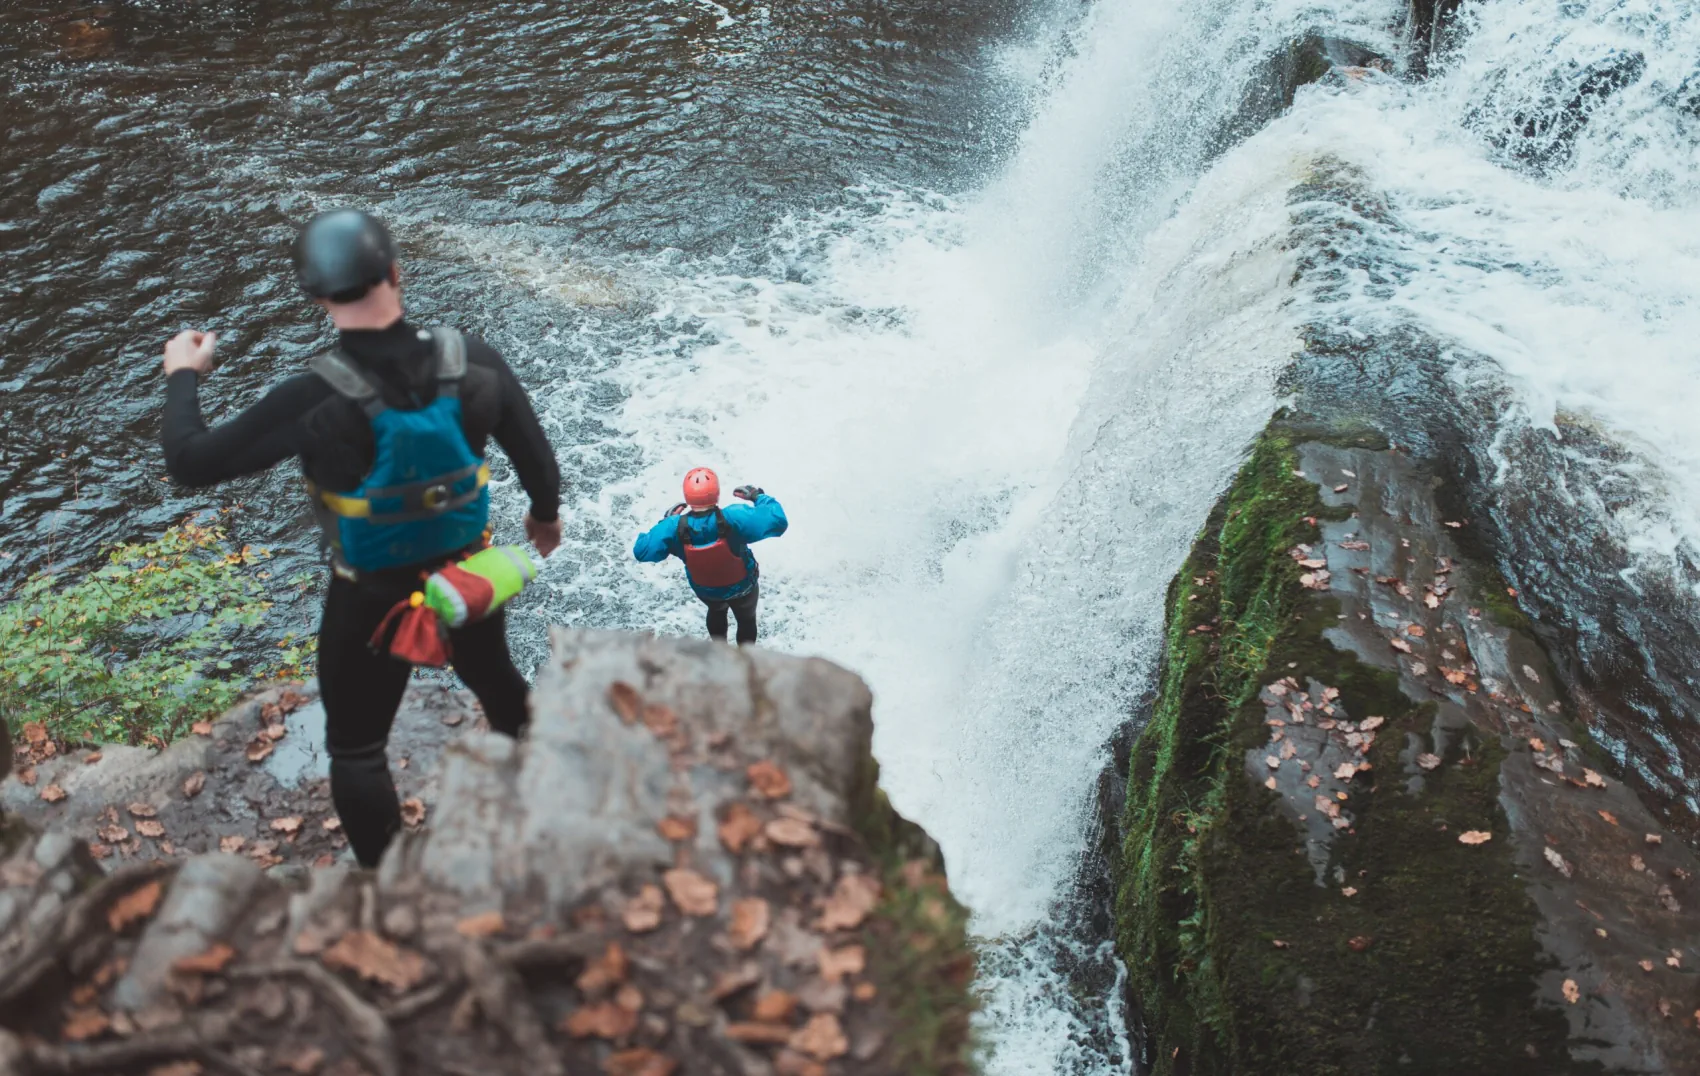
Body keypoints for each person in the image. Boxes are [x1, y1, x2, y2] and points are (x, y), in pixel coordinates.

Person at [159, 209, 562, 868]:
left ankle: (390, 883)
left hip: (372, 598)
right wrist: (544, 517)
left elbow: (190, 462)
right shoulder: (473, 363)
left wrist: (184, 373)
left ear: (318, 298)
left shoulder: (313, 398)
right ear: (396, 272)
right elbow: (537, 459)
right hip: (470, 575)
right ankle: (541, 804)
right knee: (493, 675)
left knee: (356, 747)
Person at [633, 468, 786, 645]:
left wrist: (664, 522)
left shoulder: (673, 526)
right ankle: (746, 658)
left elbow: (642, 551)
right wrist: (757, 496)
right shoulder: (735, 516)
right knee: (746, 619)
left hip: (706, 589)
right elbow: (778, 521)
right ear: (717, 494)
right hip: (743, 586)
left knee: (716, 611)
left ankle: (718, 652)